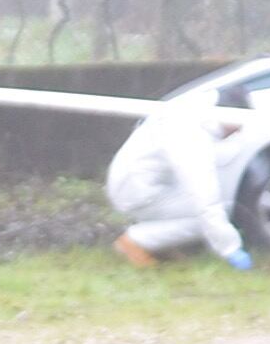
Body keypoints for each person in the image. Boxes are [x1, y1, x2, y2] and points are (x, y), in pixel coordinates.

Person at [105, 100, 252, 269]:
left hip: (137, 186)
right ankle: (137, 240)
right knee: (215, 211)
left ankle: (159, 245)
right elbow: (205, 200)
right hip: (139, 193)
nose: (239, 130)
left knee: (205, 206)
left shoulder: (191, 115)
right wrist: (231, 250)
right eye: (239, 124)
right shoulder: (191, 137)